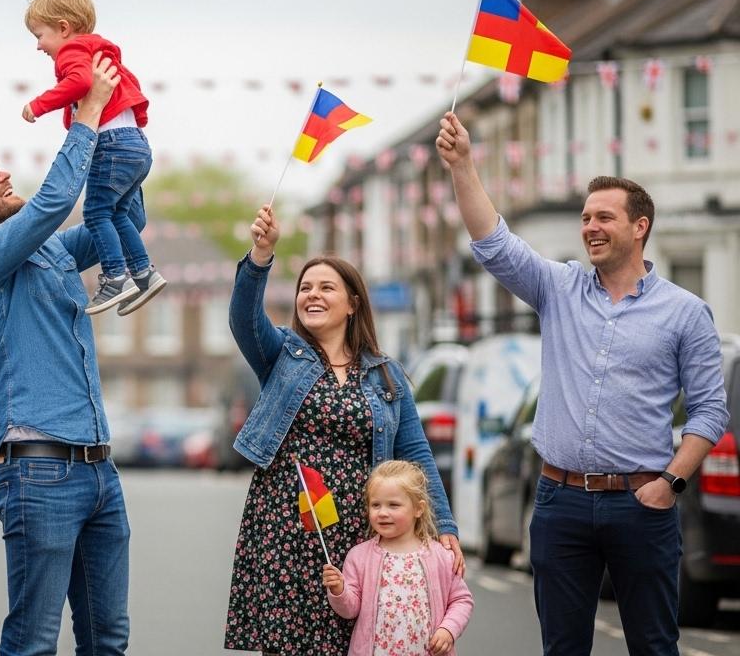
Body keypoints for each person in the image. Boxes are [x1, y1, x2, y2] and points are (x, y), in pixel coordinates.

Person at [435, 112, 729, 654]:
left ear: (640, 227)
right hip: (559, 501)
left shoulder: (686, 313)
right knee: (562, 648)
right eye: (586, 217)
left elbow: (710, 411)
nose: (590, 226)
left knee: (655, 646)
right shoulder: (558, 288)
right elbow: (494, 243)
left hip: (642, 503)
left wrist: (670, 484)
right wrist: (462, 165)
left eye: (604, 217)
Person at [0, 55, 131, 655]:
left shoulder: (54, 253)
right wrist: (85, 115)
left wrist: (119, 133)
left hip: (100, 470)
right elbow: (53, 203)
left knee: (109, 639)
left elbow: (124, 216)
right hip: (39, 473)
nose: (4, 174)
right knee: (34, 641)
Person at [223, 202, 462, 654]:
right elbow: (243, 319)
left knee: (357, 639)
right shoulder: (282, 355)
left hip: (361, 530)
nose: (312, 295)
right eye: (305, 288)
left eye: (326, 287)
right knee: (289, 643)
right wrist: (261, 255)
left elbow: (415, 453)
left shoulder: (386, 374)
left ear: (353, 304)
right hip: (287, 528)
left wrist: (444, 525)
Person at [21, 0, 165, 316]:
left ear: (63, 28)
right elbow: (131, 88)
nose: (38, 46)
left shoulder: (73, 52)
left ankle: (116, 277)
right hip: (136, 143)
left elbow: (79, 83)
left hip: (111, 145)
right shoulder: (102, 53)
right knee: (118, 214)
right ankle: (143, 273)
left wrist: (39, 105)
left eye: (39, 35)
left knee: (96, 213)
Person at [324, 460, 474, 656]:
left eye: (393, 505)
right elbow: (350, 610)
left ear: (418, 509)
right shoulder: (359, 556)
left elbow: (461, 600)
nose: (382, 513)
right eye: (375, 505)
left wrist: (448, 630)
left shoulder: (441, 556)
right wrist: (339, 590)